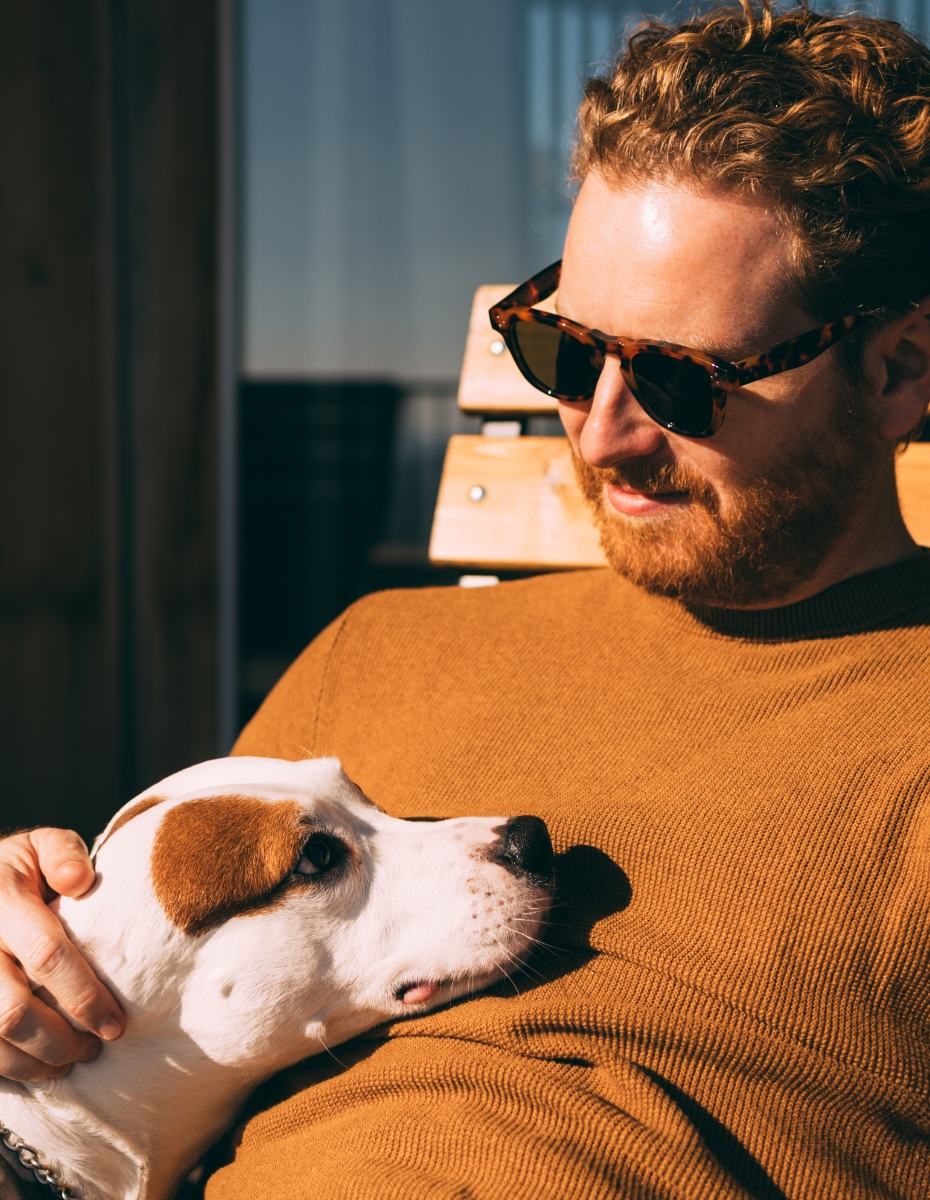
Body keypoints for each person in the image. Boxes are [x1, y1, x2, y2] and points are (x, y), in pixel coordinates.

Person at [2, 3, 930, 1196]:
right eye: (568, 352)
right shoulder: (380, 652)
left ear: (900, 369)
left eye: (680, 381)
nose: (600, 435)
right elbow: (142, 1023)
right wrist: (36, 950)